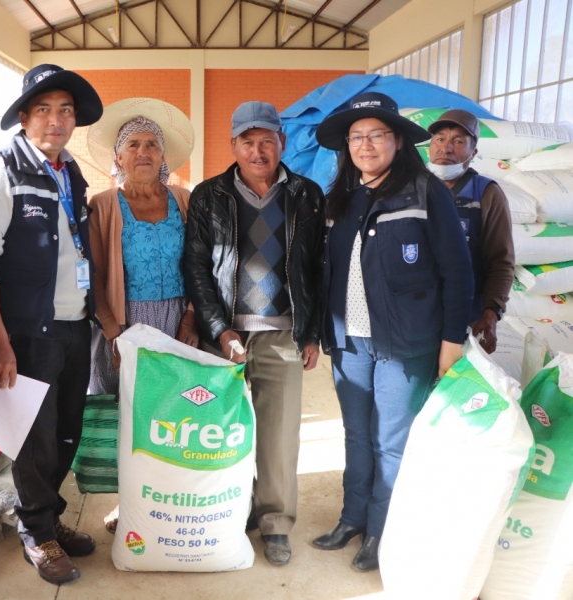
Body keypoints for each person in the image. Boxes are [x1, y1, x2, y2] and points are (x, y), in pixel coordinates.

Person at [310, 92, 473, 571]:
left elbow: (458, 271)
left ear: (398, 140)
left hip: (407, 344)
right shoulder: (341, 197)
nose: (365, 145)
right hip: (351, 342)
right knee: (356, 435)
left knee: (391, 441)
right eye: (356, 137)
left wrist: (451, 342)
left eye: (377, 134)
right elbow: (327, 270)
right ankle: (352, 517)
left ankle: (382, 530)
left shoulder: (426, 192)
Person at [0, 64, 102, 585]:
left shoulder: (71, 172)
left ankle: (49, 518)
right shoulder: (2, 170)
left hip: (75, 324)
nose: (56, 120)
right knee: (33, 438)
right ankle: (36, 534)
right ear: (24, 117)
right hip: (27, 333)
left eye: (65, 110)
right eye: (43, 109)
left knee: (67, 432)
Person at [184, 101, 326, 567]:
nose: (258, 150)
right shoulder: (209, 196)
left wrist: (312, 332)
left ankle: (275, 524)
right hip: (225, 338)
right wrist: (218, 328)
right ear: (234, 146)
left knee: (279, 436)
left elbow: (317, 268)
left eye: (267, 140)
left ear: (282, 143)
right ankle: (228, 511)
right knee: (220, 433)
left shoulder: (306, 194)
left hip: (284, 334)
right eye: (248, 141)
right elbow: (198, 270)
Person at [85, 97, 198, 533]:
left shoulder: (185, 200)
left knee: (172, 415)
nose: (144, 152)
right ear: (118, 156)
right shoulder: (104, 204)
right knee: (126, 415)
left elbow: (200, 266)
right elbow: (93, 275)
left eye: (152, 144)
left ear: (163, 156)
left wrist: (190, 321)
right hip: (123, 323)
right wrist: (115, 332)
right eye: (133, 144)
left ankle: (168, 496)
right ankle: (127, 501)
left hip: (176, 322)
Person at [427, 109, 515, 353]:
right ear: (429, 147)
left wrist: (491, 313)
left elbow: (501, 261)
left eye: (458, 141)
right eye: (440, 139)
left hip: (467, 319)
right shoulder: (412, 187)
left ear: (473, 152)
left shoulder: (486, 194)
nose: (446, 148)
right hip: (416, 318)